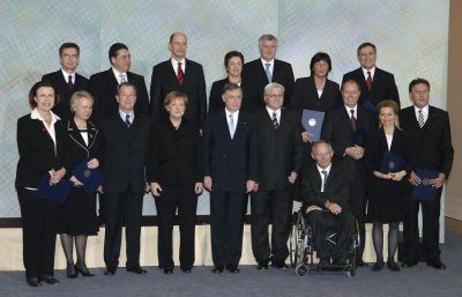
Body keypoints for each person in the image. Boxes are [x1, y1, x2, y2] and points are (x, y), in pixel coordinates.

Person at [15, 81, 67, 286]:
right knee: (33, 228)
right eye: (42, 95)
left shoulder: (61, 122)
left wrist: (63, 170)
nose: (47, 99)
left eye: (50, 95)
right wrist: (50, 170)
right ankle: (33, 273)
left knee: (49, 227)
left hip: (55, 183)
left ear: (55, 99)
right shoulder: (25, 122)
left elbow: (65, 153)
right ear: (34, 98)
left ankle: (47, 271)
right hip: (32, 184)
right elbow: (27, 153)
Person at [400, 78, 454, 270]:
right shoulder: (401, 115)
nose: (422, 95)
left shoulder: (441, 116)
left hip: (433, 178)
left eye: (425, 91)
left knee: (432, 217)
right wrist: (407, 172)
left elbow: (448, 149)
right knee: (410, 217)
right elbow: (397, 148)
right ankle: (410, 255)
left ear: (429, 93)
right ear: (411, 94)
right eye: (417, 91)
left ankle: (433, 256)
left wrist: (443, 174)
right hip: (410, 177)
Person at [203, 83, 257, 273]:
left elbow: (254, 151)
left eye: (239, 97)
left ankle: (233, 262)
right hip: (217, 178)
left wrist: (252, 177)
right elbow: (205, 149)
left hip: (241, 179)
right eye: (232, 97)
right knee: (218, 221)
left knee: (236, 221)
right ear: (224, 98)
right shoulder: (212, 118)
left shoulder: (249, 119)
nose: (235, 101)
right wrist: (206, 174)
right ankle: (218, 262)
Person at [147, 91, 203, 274]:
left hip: (189, 183)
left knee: (188, 224)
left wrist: (199, 179)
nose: (178, 108)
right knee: (165, 225)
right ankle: (166, 262)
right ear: (167, 107)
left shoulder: (193, 127)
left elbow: (199, 156)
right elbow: (151, 157)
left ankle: (187, 262)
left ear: (185, 108)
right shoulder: (157, 127)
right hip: (164, 183)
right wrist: (152, 180)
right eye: (174, 104)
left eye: (181, 105)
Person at [321, 79, 376, 265]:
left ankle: (357, 257)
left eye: (354, 92)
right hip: (340, 176)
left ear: (359, 93)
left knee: (359, 215)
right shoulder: (332, 114)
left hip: (362, 175)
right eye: (346, 92)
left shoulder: (369, 115)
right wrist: (345, 149)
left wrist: (365, 150)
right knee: (339, 216)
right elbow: (326, 141)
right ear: (342, 93)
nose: (350, 95)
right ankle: (338, 255)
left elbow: (375, 140)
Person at [99, 82, 150, 275]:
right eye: (124, 95)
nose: (128, 99)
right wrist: (100, 181)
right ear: (117, 98)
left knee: (134, 225)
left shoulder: (146, 122)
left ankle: (133, 263)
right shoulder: (105, 122)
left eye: (132, 95)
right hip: (112, 182)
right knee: (113, 224)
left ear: (136, 99)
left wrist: (149, 178)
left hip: (136, 182)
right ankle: (111, 264)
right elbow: (100, 154)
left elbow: (150, 155)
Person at [251, 83, 303, 269]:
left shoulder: (292, 117)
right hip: (260, 180)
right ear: (266, 98)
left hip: (284, 179)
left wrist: (296, 170)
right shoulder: (255, 117)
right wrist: (252, 177)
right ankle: (262, 258)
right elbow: (251, 151)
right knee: (260, 219)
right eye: (273, 96)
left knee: (283, 219)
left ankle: (279, 256)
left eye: (280, 95)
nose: (277, 98)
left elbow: (299, 147)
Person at [365, 100, 411, 272]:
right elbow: (367, 160)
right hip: (378, 184)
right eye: (383, 114)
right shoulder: (372, 135)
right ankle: (378, 260)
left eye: (389, 114)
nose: (386, 118)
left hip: (398, 185)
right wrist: (376, 173)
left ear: (395, 116)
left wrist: (403, 173)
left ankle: (391, 259)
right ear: (379, 117)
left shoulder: (405, 136)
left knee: (393, 223)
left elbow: (411, 160)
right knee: (377, 222)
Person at [58, 91, 100, 278]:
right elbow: (56, 155)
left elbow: (103, 152)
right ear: (74, 107)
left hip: (87, 185)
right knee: (66, 224)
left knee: (83, 223)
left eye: (90, 107)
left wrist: (99, 161)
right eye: (84, 106)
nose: (88, 110)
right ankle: (69, 264)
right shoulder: (62, 127)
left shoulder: (95, 128)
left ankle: (81, 262)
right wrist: (68, 177)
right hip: (67, 184)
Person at [300, 141, 355, 266]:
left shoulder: (342, 171)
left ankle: (340, 256)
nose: (323, 157)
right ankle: (324, 257)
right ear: (313, 156)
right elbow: (307, 194)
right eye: (319, 154)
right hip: (316, 209)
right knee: (314, 216)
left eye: (326, 154)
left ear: (332, 154)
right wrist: (326, 204)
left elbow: (345, 193)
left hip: (338, 207)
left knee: (349, 217)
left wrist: (331, 204)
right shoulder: (307, 172)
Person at [150, 32, 207, 128]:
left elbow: (202, 99)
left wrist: (202, 126)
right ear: (170, 46)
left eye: (183, 44)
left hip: (192, 126)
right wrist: (155, 127)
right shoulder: (159, 69)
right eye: (177, 43)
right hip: (166, 126)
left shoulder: (197, 68)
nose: (180, 47)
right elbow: (155, 101)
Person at [89, 43, 150, 120]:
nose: (128, 60)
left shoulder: (138, 79)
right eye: (124, 57)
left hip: (135, 128)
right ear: (113, 60)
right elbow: (94, 108)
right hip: (107, 127)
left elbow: (145, 108)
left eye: (129, 57)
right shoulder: (97, 80)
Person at [342, 42, 400, 110]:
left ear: (375, 55)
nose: (367, 57)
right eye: (363, 55)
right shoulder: (349, 77)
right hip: (358, 119)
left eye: (370, 54)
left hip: (382, 119)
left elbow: (395, 104)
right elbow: (342, 104)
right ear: (358, 57)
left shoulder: (387, 77)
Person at [243, 34, 294, 110]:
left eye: (272, 46)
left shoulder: (286, 67)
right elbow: (246, 94)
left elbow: (291, 93)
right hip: (256, 114)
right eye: (265, 46)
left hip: (280, 114)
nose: (269, 50)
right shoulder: (248, 68)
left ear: (276, 48)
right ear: (260, 48)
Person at [42, 42, 89, 120]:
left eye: (74, 56)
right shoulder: (48, 79)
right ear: (60, 59)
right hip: (55, 126)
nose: (70, 59)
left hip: (77, 128)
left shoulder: (86, 82)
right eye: (66, 56)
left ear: (78, 60)